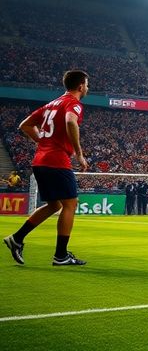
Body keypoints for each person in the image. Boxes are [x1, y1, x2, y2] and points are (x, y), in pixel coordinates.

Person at [4, 70, 90, 266]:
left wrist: (42, 142)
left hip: (40, 161)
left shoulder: (52, 104)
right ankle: (61, 255)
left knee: (55, 205)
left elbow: (24, 125)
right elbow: (70, 121)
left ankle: (17, 238)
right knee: (70, 204)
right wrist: (79, 153)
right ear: (80, 86)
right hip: (56, 161)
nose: (87, 88)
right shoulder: (73, 104)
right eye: (87, 84)